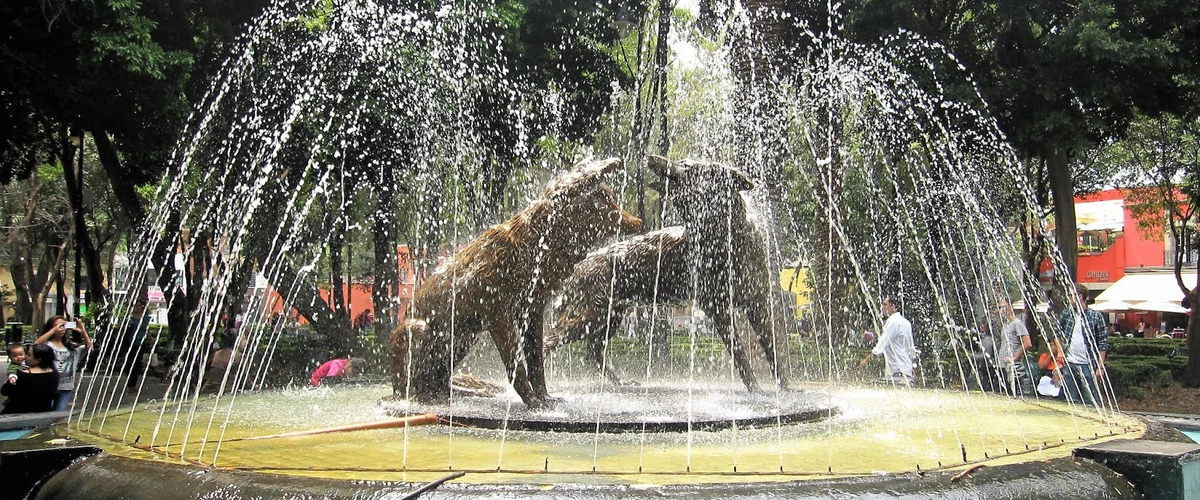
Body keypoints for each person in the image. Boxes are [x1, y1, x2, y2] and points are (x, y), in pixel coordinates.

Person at [1055, 283, 1108, 406]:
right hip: (1070, 363)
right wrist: (1060, 351)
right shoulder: (1067, 314)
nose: (1069, 298)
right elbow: (1055, 332)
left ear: (1079, 296)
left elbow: (1103, 343)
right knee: (1071, 400)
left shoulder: (1096, 316)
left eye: (1070, 295)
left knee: (1091, 400)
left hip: (1088, 364)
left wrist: (1100, 367)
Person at [33, 316, 93, 411]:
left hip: (66, 388)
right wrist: (53, 330)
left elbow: (89, 347)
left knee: (58, 416)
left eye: (63, 325)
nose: (60, 328)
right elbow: (36, 345)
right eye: (56, 326)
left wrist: (83, 332)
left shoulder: (71, 347)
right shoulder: (47, 345)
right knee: (44, 415)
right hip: (48, 387)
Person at [858, 296, 916, 381]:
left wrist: (865, 360)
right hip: (906, 369)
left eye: (885, 305)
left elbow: (882, 344)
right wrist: (912, 366)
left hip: (897, 369)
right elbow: (910, 347)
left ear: (893, 307)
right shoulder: (906, 322)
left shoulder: (893, 321)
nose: (882, 308)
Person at [2, 343, 60, 414]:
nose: (25, 357)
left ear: (38, 360)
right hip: (43, 413)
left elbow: (4, 391)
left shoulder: (22, 375)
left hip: (17, 414)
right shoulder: (54, 373)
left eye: (29, 355)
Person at [996, 300, 1035, 396]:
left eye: (1004, 307)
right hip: (1002, 366)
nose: (1001, 310)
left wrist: (1014, 358)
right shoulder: (1005, 324)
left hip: (1014, 369)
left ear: (1010, 307)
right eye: (999, 308)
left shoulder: (1017, 323)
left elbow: (1028, 343)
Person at [122, 300, 153, 392]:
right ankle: (130, 385)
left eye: (139, 306)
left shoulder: (145, 318)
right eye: (136, 306)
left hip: (141, 343)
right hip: (131, 343)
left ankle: (133, 384)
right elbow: (122, 329)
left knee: (137, 364)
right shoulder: (129, 318)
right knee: (130, 364)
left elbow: (147, 330)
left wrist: (150, 341)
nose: (138, 307)